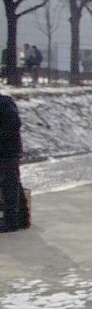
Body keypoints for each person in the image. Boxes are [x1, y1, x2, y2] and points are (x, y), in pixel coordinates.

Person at [0, 90, 29, 232]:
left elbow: (13, 125)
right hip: (8, 150)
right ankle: (23, 218)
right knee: (13, 184)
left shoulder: (4, 104)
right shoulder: (5, 103)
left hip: (7, 151)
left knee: (8, 185)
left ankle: (11, 221)